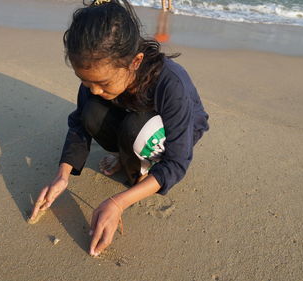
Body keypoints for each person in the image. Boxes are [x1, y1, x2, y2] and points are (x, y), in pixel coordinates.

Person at [30, 0, 209, 257]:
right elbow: (80, 123)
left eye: (102, 83)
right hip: (132, 115)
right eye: (85, 81)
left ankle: (138, 167)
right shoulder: (96, 79)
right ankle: (128, 153)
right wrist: (62, 175)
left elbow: (178, 162)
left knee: (136, 129)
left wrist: (118, 202)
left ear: (135, 62)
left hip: (176, 129)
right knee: (91, 111)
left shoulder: (172, 83)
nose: (94, 89)